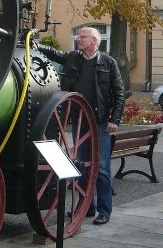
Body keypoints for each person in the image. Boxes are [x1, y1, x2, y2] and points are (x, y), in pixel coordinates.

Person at [39, 26, 125, 225]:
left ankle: (104, 210)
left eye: (83, 37)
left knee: (101, 167)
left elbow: (119, 93)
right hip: (79, 121)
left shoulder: (108, 63)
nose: (79, 39)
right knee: (83, 166)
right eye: (78, 37)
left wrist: (115, 120)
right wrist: (36, 45)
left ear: (94, 41)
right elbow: (56, 54)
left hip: (100, 122)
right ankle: (88, 206)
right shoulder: (74, 58)